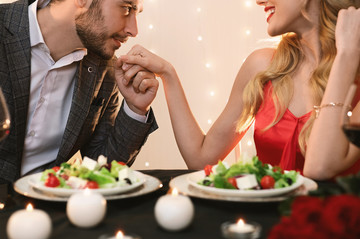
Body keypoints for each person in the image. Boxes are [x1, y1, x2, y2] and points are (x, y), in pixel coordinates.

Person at [119, 0, 360, 180]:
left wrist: (347, 57)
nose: (259, 0)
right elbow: (201, 158)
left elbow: (319, 167)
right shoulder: (264, 66)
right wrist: (168, 74)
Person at [0, 0, 159, 184]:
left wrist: (135, 109)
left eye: (136, 13)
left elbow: (102, 168)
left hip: (48, 206)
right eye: (126, 8)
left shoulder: (106, 70)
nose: (134, 30)